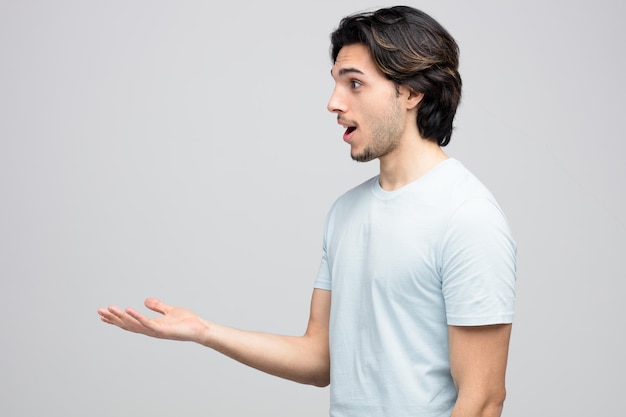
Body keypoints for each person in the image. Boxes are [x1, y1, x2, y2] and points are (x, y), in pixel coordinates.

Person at [98, 5, 517, 417]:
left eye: (354, 84)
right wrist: (204, 332)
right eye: (336, 83)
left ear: (410, 92)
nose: (333, 103)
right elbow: (320, 359)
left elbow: (481, 401)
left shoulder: (466, 216)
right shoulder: (345, 213)